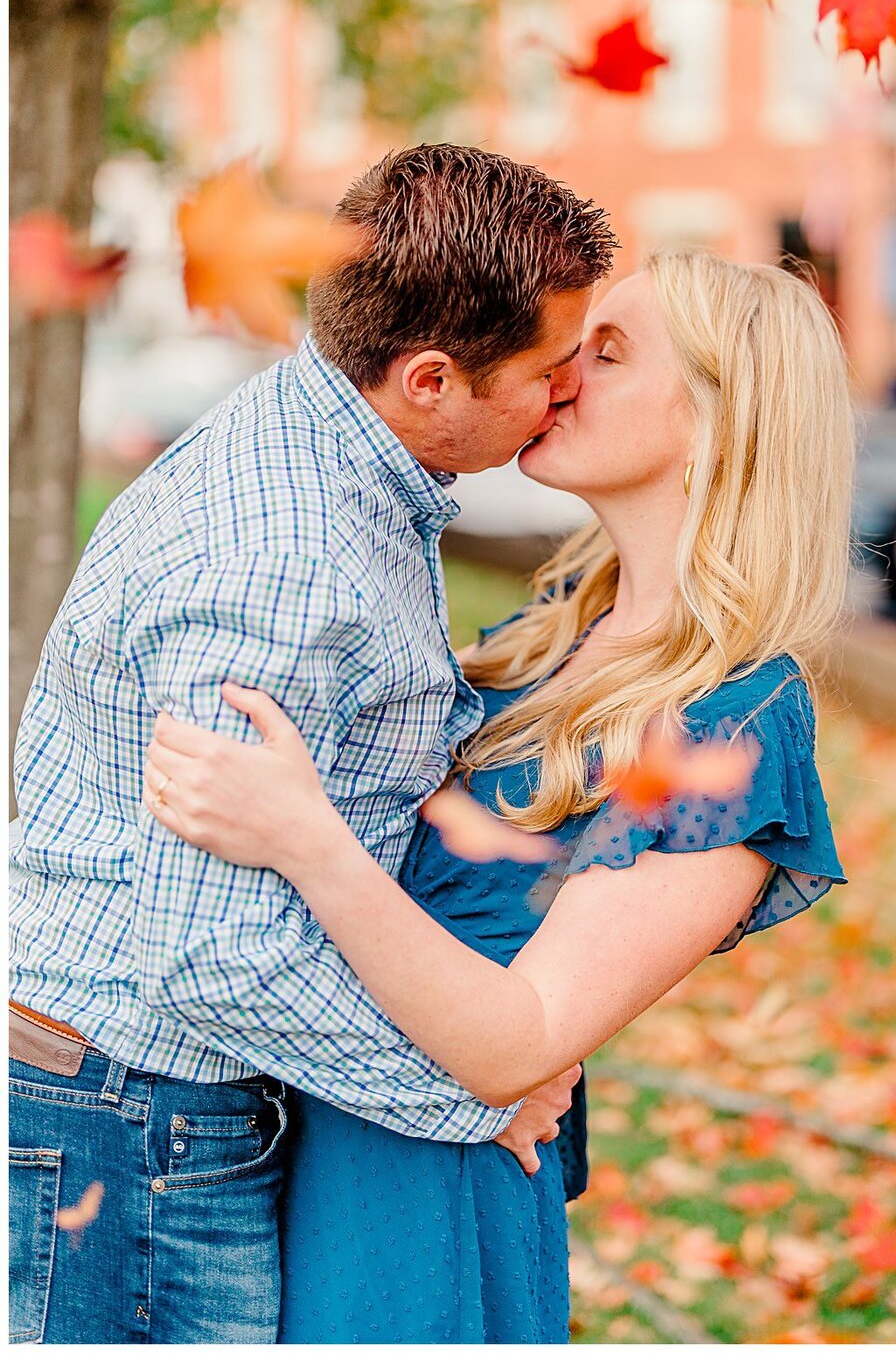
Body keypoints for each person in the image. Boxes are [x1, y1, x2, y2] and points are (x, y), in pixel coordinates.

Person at [144, 247, 855, 1344]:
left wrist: (305, 837)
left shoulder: (734, 723)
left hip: (422, 1202)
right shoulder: (542, 640)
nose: (559, 372)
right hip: (275, 1136)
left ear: (723, 419)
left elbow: (521, 1042)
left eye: (606, 353)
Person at [9, 144, 616, 1345]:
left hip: (138, 1103)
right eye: (550, 370)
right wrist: (467, 1091)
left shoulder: (332, 462)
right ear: (432, 378)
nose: (568, 392)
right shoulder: (287, 563)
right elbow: (210, 956)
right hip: (135, 1125)